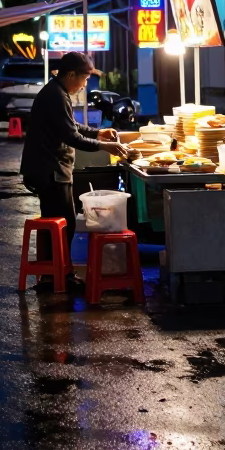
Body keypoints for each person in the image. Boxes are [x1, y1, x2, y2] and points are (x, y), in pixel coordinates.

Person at [20, 51, 133, 290]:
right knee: (65, 223)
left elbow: (70, 125)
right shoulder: (55, 95)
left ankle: (55, 274)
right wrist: (104, 145)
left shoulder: (58, 93)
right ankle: (58, 276)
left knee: (64, 221)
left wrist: (97, 132)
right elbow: (71, 136)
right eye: (84, 78)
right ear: (71, 74)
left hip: (51, 168)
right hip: (49, 170)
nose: (85, 84)